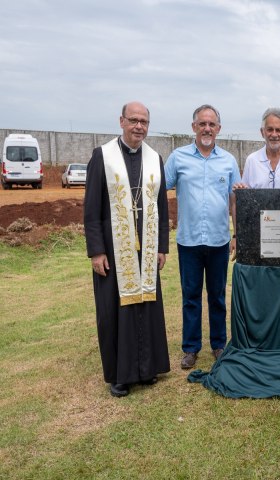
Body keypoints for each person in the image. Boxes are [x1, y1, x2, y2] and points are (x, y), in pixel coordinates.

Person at [84, 101, 170, 398]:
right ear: (121, 121)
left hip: (145, 248)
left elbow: (161, 206)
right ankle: (120, 375)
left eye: (144, 121)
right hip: (113, 248)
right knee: (115, 311)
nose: (139, 126)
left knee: (146, 306)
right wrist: (96, 250)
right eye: (133, 120)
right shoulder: (102, 156)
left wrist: (161, 247)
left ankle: (147, 369)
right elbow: (91, 208)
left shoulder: (154, 158)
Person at [164, 105, 241, 370]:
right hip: (189, 241)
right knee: (191, 296)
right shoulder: (178, 157)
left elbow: (234, 200)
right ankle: (191, 348)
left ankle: (219, 344)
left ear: (219, 128)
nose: (207, 128)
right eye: (202, 124)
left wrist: (236, 234)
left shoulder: (229, 161)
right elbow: (159, 187)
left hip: (219, 240)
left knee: (218, 295)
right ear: (194, 126)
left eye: (212, 124)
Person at [234, 107, 280, 189]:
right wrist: (240, 189)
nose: (274, 135)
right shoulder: (252, 160)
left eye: (278, 130)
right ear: (262, 132)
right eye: (270, 129)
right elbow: (245, 195)